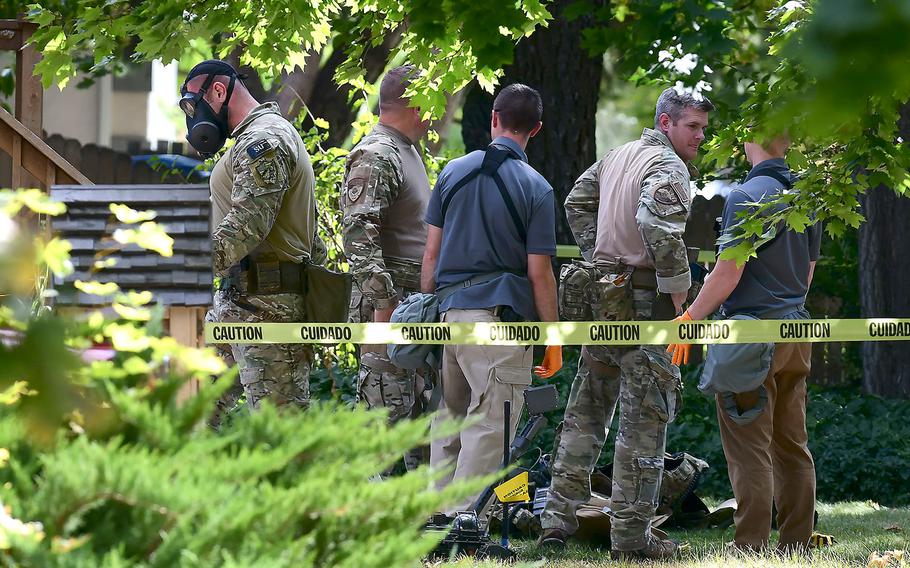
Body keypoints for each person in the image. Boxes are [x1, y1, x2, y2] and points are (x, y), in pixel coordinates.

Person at [538, 87, 713, 560]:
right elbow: (658, 228)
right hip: (647, 301)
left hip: (603, 295)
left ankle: (556, 523)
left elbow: (577, 200)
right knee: (645, 417)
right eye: (692, 126)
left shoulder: (617, 156)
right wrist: (680, 294)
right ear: (665, 123)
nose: (700, 135)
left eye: (702, 126)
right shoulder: (668, 166)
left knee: (586, 410)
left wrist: (598, 255)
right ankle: (631, 540)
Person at [667, 134, 821, 552]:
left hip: (750, 335)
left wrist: (690, 318)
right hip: (795, 330)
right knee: (793, 443)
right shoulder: (806, 196)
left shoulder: (748, 195)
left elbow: (727, 273)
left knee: (749, 443)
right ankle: (797, 541)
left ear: (750, 139)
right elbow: (806, 276)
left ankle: (750, 544)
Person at [420, 83, 562, 513]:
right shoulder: (537, 188)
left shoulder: (451, 173)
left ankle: (432, 519)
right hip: (499, 323)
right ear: (535, 130)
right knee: (490, 426)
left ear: (494, 119)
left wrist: (427, 316)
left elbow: (431, 255)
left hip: (451, 317)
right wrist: (552, 339)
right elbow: (539, 273)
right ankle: (459, 525)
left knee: (450, 421)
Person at [182, 59, 320, 413]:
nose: (194, 117)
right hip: (239, 301)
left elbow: (247, 225)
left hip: (268, 307)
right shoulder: (253, 138)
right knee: (189, 414)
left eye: (194, 105)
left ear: (218, 90)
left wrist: (184, 268)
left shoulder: (264, 140)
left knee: (282, 440)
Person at [342, 65, 432, 469]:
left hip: (412, 307)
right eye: (433, 97)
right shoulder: (378, 154)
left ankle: (419, 520)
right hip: (389, 310)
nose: (439, 106)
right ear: (416, 104)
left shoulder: (407, 151)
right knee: (383, 418)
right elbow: (358, 235)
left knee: (416, 421)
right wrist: (384, 304)